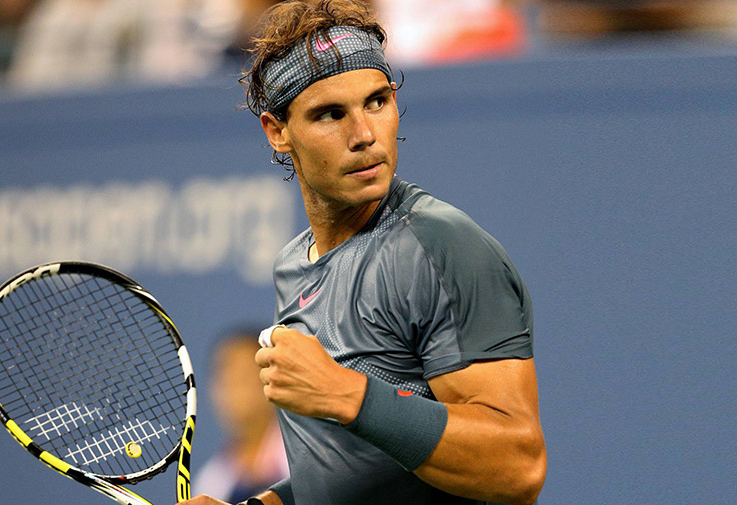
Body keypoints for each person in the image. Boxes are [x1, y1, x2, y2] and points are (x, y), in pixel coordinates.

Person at [179, 1, 547, 504]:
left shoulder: (441, 247)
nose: (365, 135)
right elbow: (349, 473)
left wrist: (344, 393)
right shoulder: (294, 266)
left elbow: (518, 467)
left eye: (376, 102)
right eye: (331, 114)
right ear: (277, 131)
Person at [193, 330, 289, 503]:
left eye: (244, 376)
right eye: (224, 379)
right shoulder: (210, 482)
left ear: (272, 381)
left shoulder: (304, 458)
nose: (232, 390)